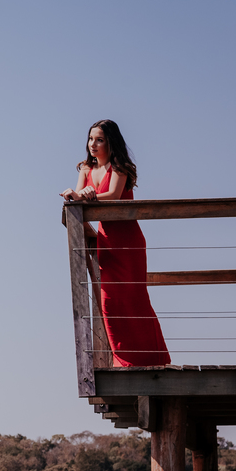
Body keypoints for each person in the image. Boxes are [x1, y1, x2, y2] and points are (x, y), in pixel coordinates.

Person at [60, 120, 170, 367]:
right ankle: (125, 361)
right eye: (90, 139)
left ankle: (154, 359)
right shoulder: (86, 169)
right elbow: (79, 197)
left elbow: (113, 196)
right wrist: (76, 194)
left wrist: (92, 195)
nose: (93, 145)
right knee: (110, 302)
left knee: (135, 298)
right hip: (107, 242)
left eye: (99, 139)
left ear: (110, 142)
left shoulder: (120, 166)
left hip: (128, 242)